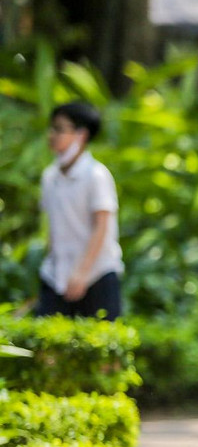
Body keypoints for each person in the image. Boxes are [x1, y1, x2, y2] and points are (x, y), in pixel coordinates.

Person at [36, 102, 124, 321]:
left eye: (59, 128)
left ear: (81, 134)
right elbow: (53, 228)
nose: (52, 135)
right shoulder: (50, 177)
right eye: (52, 128)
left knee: (103, 348)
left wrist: (82, 273)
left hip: (97, 274)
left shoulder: (96, 175)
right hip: (56, 275)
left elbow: (102, 226)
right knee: (47, 346)